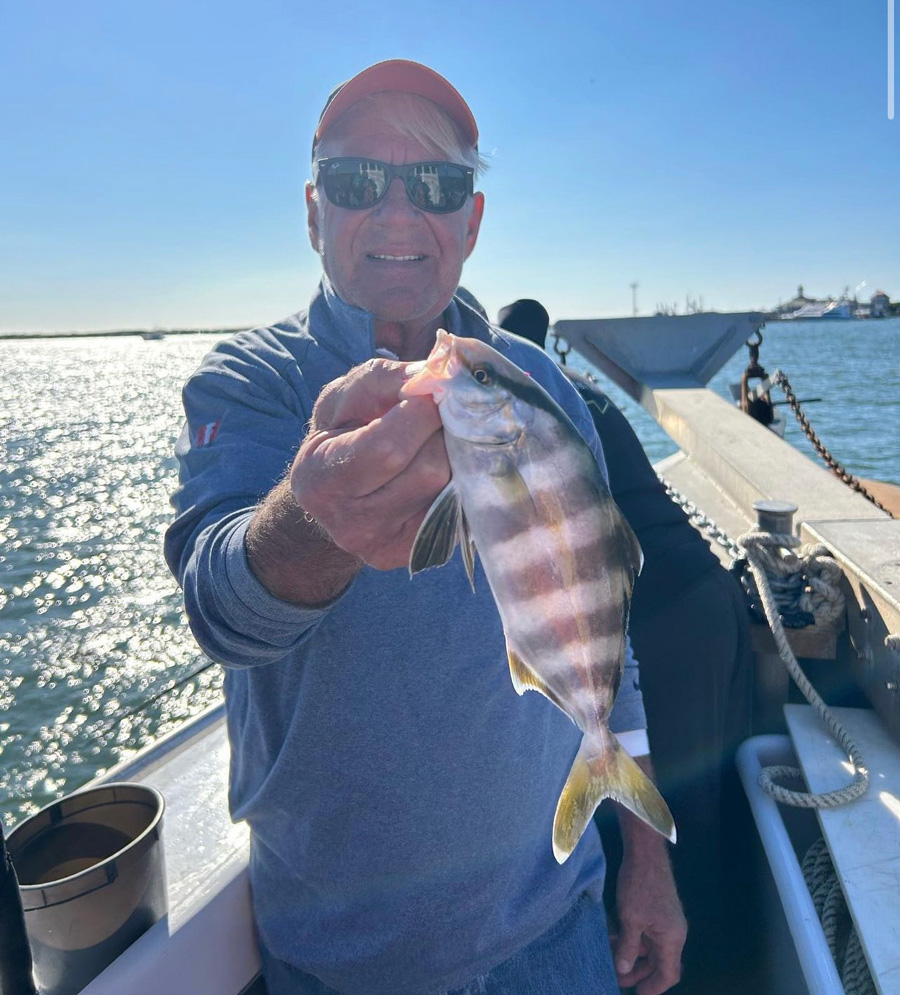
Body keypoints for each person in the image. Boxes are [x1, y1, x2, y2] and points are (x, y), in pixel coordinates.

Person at [165, 61, 685, 995]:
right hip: (342, 961)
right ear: (315, 212)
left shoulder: (541, 389)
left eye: (437, 185)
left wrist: (649, 859)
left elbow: (603, 627)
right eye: (358, 179)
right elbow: (221, 612)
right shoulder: (250, 382)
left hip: (554, 927)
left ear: (471, 222)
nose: (399, 212)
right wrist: (315, 520)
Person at [497, 298, 755, 994]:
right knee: (708, 793)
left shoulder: (532, 410)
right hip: (710, 600)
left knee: (666, 816)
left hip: (657, 622)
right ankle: (728, 948)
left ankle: (680, 970)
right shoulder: (584, 395)